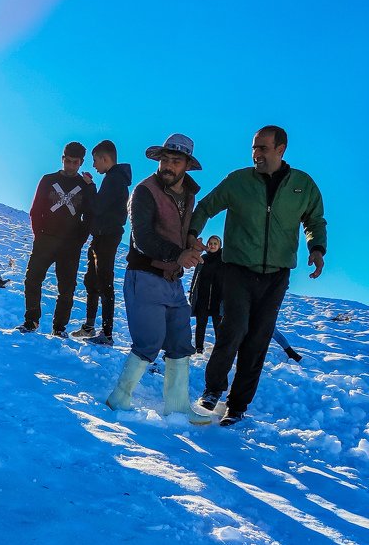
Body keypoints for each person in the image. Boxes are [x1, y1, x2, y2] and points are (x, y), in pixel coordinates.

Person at [188, 125, 327, 425]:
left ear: (281, 149)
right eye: (254, 147)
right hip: (238, 269)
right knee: (233, 331)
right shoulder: (238, 181)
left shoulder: (302, 185)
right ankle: (213, 390)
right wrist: (191, 234)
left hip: (276, 276)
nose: (256, 153)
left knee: (258, 339)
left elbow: (315, 219)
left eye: (262, 148)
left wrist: (316, 248)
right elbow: (206, 206)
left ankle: (237, 405)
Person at [106, 133, 209, 424]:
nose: (168, 166)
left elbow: (181, 231)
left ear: (187, 165)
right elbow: (142, 237)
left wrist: (192, 245)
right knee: (148, 343)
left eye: (175, 161)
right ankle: (119, 399)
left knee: (180, 341)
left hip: (172, 280)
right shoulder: (144, 191)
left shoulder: (189, 195)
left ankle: (177, 408)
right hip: (145, 274)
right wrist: (179, 254)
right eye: (165, 159)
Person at [19, 141, 94, 337]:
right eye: (67, 161)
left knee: (67, 288)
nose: (70, 166)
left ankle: (59, 328)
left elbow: (90, 215)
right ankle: (31, 321)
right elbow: (36, 209)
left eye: (75, 162)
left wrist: (80, 240)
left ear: (81, 162)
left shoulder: (84, 186)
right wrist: (39, 235)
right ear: (62, 159)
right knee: (33, 279)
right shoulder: (48, 180)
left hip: (71, 244)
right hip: (45, 239)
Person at [71, 140, 132, 345]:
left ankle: (106, 333)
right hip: (101, 236)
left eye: (96, 160)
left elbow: (98, 206)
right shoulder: (114, 178)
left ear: (105, 159)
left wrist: (90, 187)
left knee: (104, 281)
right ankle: (89, 326)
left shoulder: (114, 179)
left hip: (107, 236)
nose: (94, 165)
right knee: (92, 280)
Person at [187, 234, 224, 353]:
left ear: (219, 246)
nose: (212, 246)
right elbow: (195, 277)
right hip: (202, 297)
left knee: (218, 325)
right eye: (210, 243)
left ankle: (219, 348)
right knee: (201, 323)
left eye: (215, 244)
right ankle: (199, 347)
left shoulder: (224, 260)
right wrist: (193, 293)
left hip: (217, 298)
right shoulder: (202, 259)